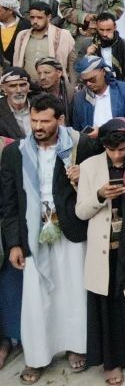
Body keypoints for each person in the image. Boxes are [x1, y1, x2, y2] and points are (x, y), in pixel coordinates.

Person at [0, 93, 88, 383]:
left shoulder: (79, 146)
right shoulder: (15, 153)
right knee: (36, 297)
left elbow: (94, 187)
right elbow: (9, 204)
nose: (37, 127)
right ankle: (37, 357)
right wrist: (14, 243)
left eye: (44, 121)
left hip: (71, 228)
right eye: (34, 120)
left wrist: (81, 177)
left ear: (59, 120)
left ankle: (76, 347)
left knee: (74, 291)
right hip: (33, 233)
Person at [75, 118, 125, 385]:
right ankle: (111, 362)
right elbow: (81, 211)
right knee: (107, 308)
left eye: (122, 149)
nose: (117, 155)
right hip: (102, 251)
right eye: (111, 150)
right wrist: (100, 196)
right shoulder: (89, 166)